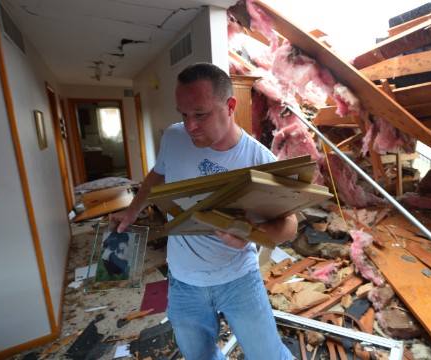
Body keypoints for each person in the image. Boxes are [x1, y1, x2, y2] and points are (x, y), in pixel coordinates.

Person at [110, 62, 297, 360]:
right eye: (183, 114)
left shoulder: (259, 159)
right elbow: (157, 174)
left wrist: (252, 233)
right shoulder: (173, 138)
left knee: (268, 356)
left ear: (230, 105)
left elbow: (290, 225)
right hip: (184, 282)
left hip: (239, 280)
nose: (190, 126)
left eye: (200, 114)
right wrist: (133, 210)